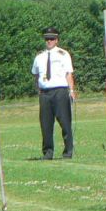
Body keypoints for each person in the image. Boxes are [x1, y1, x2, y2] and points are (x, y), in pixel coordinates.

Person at [31, 26, 75, 159]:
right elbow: (36, 75)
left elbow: (69, 74)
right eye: (47, 39)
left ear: (57, 40)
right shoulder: (39, 56)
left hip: (60, 91)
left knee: (65, 122)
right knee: (46, 124)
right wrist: (38, 89)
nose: (49, 41)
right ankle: (48, 152)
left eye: (51, 39)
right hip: (45, 93)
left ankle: (68, 151)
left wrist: (71, 90)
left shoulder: (63, 54)